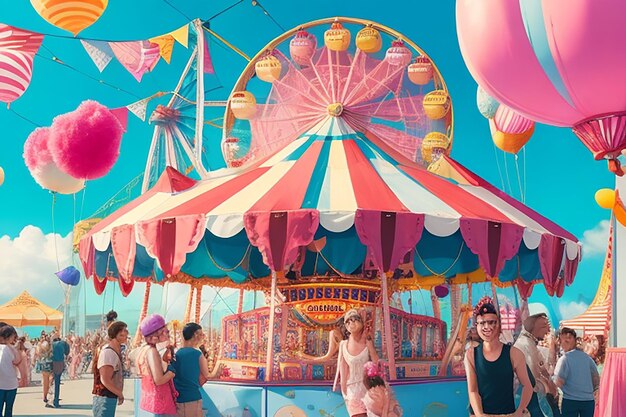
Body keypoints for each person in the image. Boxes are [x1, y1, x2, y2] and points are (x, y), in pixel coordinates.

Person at [465, 297, 533, 417]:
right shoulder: (471, 354)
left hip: (507, 413)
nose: (487, 327)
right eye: (482, 323)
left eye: (491, 322)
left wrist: (520, 411)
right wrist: (480, 415)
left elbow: (527, 386)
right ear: (477, 325)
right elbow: (473, 390)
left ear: (499, 324)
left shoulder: (514, 354)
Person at [334, 308, 379, 417]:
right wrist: (343, 386)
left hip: (368, 387)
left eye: (354, 320)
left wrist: (370, 347)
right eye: (348, 322)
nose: (351, 323)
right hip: (352, 389)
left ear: (361, 322)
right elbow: (343, 367)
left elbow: (376, 362)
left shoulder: (367, 341)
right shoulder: (343, 345)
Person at [514, 313, 561, 417]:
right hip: (533, 398)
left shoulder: (529, 343)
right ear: (536, 327)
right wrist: (549, 390)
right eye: (545, 326)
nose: (548, 330)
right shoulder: (525, 345)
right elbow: (536, 375)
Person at [553, 328, 599, 417]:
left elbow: (558, 382)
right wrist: (595, 389)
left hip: (570, 400)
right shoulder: (587, 358)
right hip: (588, 400)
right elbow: (595, 377)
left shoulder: (564, 359)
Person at [137, 314, 177, 417]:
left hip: (152, 401)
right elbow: (158, 380)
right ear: (156, 334)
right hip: (161, 402)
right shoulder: (152, 351)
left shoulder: (144, 350)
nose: (167, 333)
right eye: (164, 331)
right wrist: (171, 373)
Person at [172, 323, 210, 417]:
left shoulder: (177, 354)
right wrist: (218, 368)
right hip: (192, 397)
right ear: (195, 335)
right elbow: (207, 375)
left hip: (180, 398)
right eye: (201, 334)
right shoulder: (197, 354)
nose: (202, 337)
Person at [92, 321, 128, 417]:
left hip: (108, 397)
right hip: (104, 397)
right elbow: (105, 380)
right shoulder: (108, 352)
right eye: (124, 331)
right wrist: (119, 393)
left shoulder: (114, 350)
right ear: (117, 334)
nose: (127, 333)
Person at [0, 325, 21, 417]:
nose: (14, 338)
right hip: (11, 383)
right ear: (8, 336)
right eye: (13, 336)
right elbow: (17, 361)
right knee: (9, 409)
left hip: (4, 383)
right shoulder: (12, 349)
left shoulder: (10, 348)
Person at [51, 334, 70, 408]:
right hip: (60, 363)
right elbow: (67, 352)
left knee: (50, 381)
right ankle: (55, 400)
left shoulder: (51, 344)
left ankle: (49, 398)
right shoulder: (64, 343)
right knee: (57, 382)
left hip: (51, 363)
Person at [35, 333, 53, 406]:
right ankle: (48, 395)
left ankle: (45, 396)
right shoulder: (50, 344)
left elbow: (38, 353)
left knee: (45, 380)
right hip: (49, 363)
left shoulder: (39, 345)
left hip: (43, 363)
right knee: (49, 380)